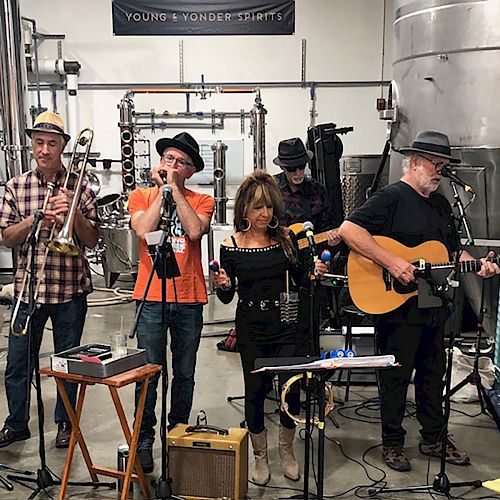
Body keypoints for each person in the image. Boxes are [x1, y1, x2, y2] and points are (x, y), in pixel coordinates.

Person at [338, 130, 500, 472]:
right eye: (435, 164)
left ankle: (434, 438)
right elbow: (350, 230)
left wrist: (478, 265)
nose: (440, 171)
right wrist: (393, 262)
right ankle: (393, 444)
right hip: (395, 307)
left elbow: (453, 252)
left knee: (432, 376)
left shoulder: (442, 204)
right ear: (414, 163)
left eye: (443, 165)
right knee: (395, 379)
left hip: (432, 306)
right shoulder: (391, 198)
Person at [212, 171, 327, 485]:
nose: (265, 214)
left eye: (269, 207)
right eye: (257, 207)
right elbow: (225, 295)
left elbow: (304, 280)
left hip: (288, 325)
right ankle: (260, 456)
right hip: (252, 328)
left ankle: (286, 450)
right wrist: (222, 283)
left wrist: (314, 270)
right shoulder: (231, 245)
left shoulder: (287, 239)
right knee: (256, 393)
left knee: (290, 391)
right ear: (244, 209)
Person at [0, 111, 99, 449]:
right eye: (39, 142)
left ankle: (64, 424)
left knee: (68, 364)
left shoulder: (80, 186)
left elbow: (92, 239)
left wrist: (74, 210)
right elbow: (8, 238)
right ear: (32, 145)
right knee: (17, 363)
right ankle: (16, 423)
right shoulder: (16, 187)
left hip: (70, 289)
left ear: (62, 147)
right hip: (29, 289)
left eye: (52, 143)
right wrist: (37, 218)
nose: (44, 149)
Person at [129, 132, 214, 473]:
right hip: (150, 297)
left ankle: (177, 435)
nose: (173, 166)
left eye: (180, 163)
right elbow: (142, 230)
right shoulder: (141, 195)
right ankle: (145, 440)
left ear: (191, 171)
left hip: (189, 298)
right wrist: (162, 193)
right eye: (168, 159)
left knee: (185, 374)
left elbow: (194, 232)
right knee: (147, 373)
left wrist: (176, 191)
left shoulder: (201, 199)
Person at [273, 137, 342, 354]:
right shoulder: (270, 189)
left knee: (309, 325)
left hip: (309, 267)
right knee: (279, 329)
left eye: (301, 167)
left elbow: (331, 226)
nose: (298, 173)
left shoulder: (318, 191)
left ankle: (309, 377)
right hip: (276, 266)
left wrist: (330, 246)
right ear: (282, 167)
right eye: (292, 169)